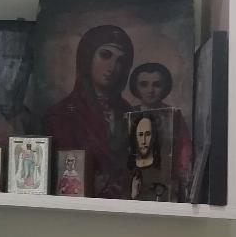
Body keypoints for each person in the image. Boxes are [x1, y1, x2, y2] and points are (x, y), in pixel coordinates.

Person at [45, 25, 134, 198]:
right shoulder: (60, 115)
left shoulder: (130, 113)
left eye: (120, 61)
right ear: (87, 57)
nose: (112, 67)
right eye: (105, 55)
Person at [128, 62, 193, 191]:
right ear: (135, 86)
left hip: (167, 179)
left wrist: (181, 175)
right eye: (144, 84)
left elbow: (184, 147)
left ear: (165, 86)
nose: (150, 90)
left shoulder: (174, 115)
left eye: (157, 85)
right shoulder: (129, 115)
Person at [127, 112, 169, 201]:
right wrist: (133, 195)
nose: (143, 141)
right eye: (140, 135)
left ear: (154, 136)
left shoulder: (163, 169)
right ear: (135, 137)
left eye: (148, 134)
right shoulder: (128, 169)